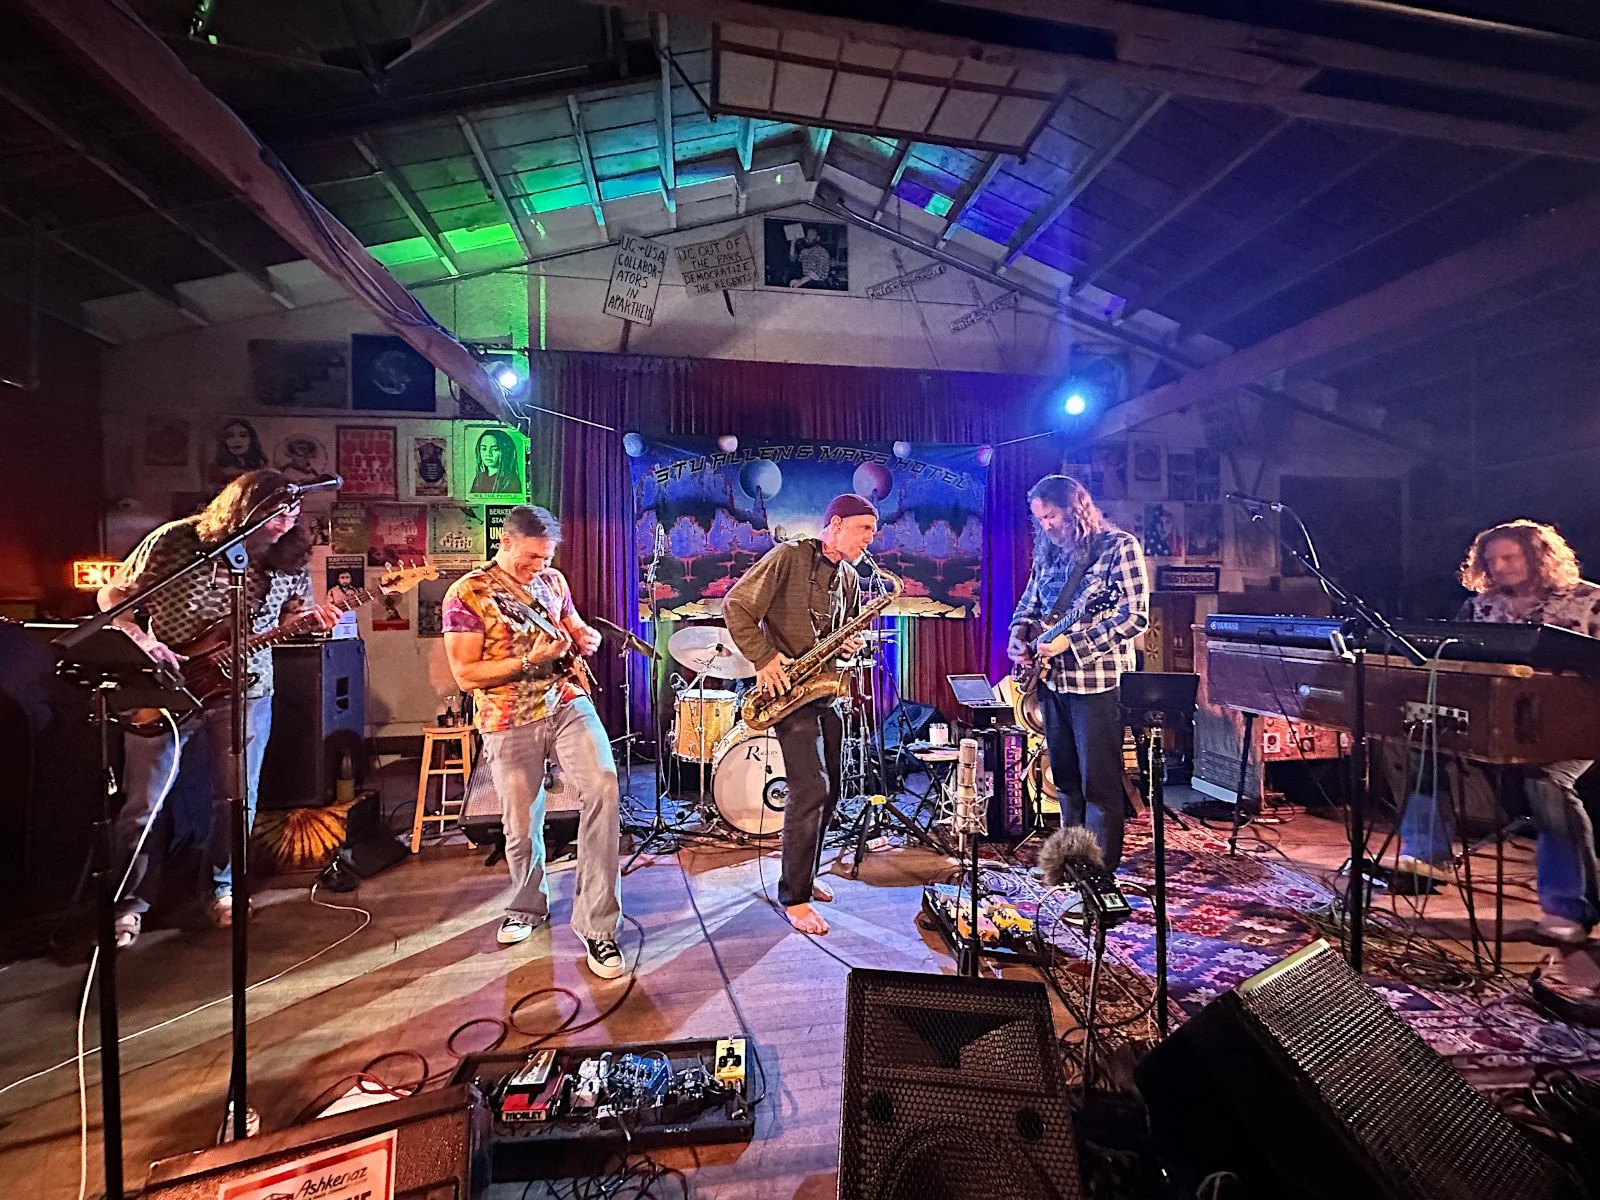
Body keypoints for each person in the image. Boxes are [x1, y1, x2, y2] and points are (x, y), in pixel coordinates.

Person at [98, 472, 337, 948]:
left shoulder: (290, 556)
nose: (285, 520)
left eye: (292, 511)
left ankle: (221, 888)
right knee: (144, 801)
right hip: (167, 683)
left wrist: (310, 621)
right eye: (274, 510)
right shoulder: (176, 541)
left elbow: (290, 614)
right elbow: (112, 594)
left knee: (236, 798)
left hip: (247, 687)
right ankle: (127, 904)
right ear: (241, 507)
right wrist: (142, 640)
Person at [441, 505, 625, 977]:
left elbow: (572, 625)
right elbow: (465, 674)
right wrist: (528, 661)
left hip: (563, 700)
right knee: (521, 823)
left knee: (604, 786)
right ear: (505, 542)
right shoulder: (467, 593)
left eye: (546, 557)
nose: (539, 566)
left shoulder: (553, 581)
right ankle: (526, 906)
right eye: (531, 557)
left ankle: (598, 926)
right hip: (506, 717)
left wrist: (584, 636)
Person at [1396, 519, 1600, 944]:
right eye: (1491, 560)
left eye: (1510, 557)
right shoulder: (1482, 607)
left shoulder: (1589, 601)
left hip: (1576, 724)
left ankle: (1570, 908)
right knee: (1425, 744)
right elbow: (1457, 662)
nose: (1500, 567)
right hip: (1500, 721)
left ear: (1539, 557)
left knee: (1546, 782)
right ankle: (1426, 858)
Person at [723, 493, 876, 935]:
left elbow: (838, 638)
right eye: (864, 529)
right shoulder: (789, 556)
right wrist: (765, 658)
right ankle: (795, 896)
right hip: (787, 691)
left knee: (833, 789)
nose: (870, 539)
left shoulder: (850, 578)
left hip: (825, 691)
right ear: (836, 525)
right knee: (810, 788)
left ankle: (804, 874)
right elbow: (736, 605)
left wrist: (848, 646)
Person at [1007, 475, 1149, 871]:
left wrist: (1073, 643)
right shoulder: (1048, 554)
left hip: (1097, 682)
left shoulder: (1119, 547)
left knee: (1098, 784)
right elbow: (1028, 605)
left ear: (1076, 510)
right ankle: (1071, 864)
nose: (1047, 526)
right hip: (1053, 681)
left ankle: (1100, 872)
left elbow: (1135, 617)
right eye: (1040, 519)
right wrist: (1017, 636)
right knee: (1066, 781)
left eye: (1052, 517)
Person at [210, 419, 267, 488]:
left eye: (242, 435)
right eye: (230, 436)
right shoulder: (215, 471)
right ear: (224, 441)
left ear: (250, 440)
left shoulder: (261, 469)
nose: (237, 440)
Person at [470, 428, 522, 495]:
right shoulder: (479, 478)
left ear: (505, 451)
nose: (488, 454)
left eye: (495, 449)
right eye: (484, 449)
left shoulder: (510, 481)